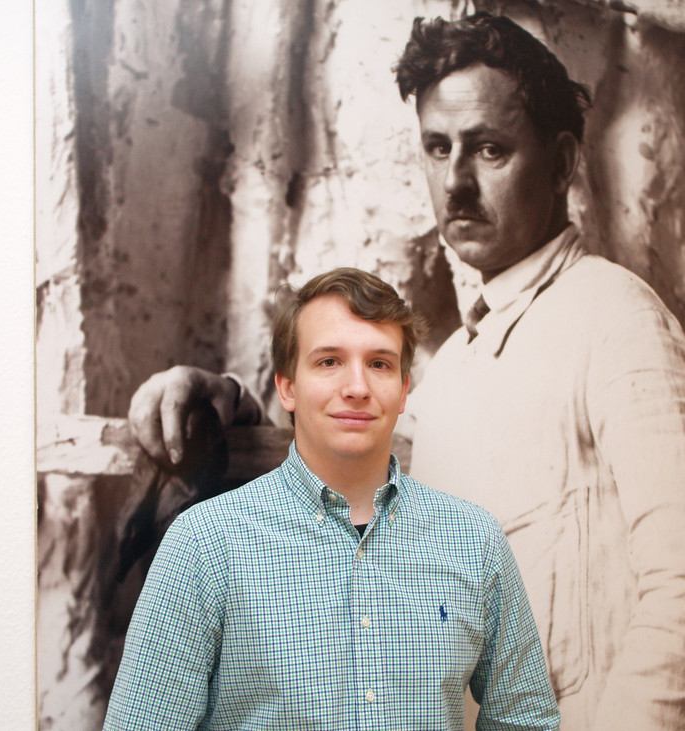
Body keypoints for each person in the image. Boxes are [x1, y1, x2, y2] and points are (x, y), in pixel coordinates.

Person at [127, 13, 685, 730]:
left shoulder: (614, 318)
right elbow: (342, 463)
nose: (455, 182)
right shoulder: (456, 367)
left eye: (489, 149)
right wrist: (225, 406)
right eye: (437, 147)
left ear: (561, 164)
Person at [106, 268, 560, 730]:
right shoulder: (204, 545)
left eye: (380, 364)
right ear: (287, 387)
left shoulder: (474, 541)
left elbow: (526, 720)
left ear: (404, 390)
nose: (357, 388)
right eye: (329, 362)